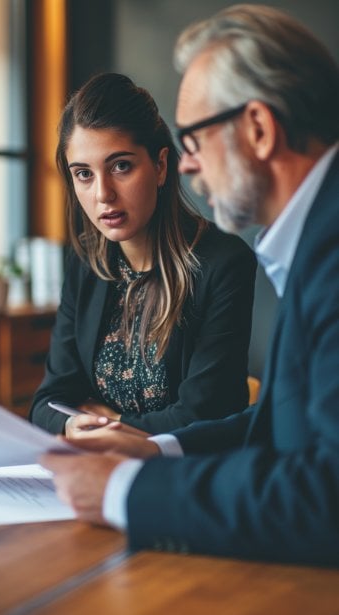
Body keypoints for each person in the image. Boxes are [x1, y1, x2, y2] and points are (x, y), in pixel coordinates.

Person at [41, 4, 339, 567]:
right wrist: (153, 445)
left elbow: (327, 493)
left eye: (195, 141)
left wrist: (120, 490)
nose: (188, 167)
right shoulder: (316, 239)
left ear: (258, 128)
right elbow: (277, 424)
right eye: (83, 173)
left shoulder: (325, 251)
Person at [29, 72, 256, 436]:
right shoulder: (85, 263)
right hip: (101, 468)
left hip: (185, 476)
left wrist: (108, 424)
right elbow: (47, 402)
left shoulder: (223, 263)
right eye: (84, 174)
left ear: (160, 166)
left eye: (121, 166)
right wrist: (72, 424)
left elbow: (203, 414)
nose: (103, 194)